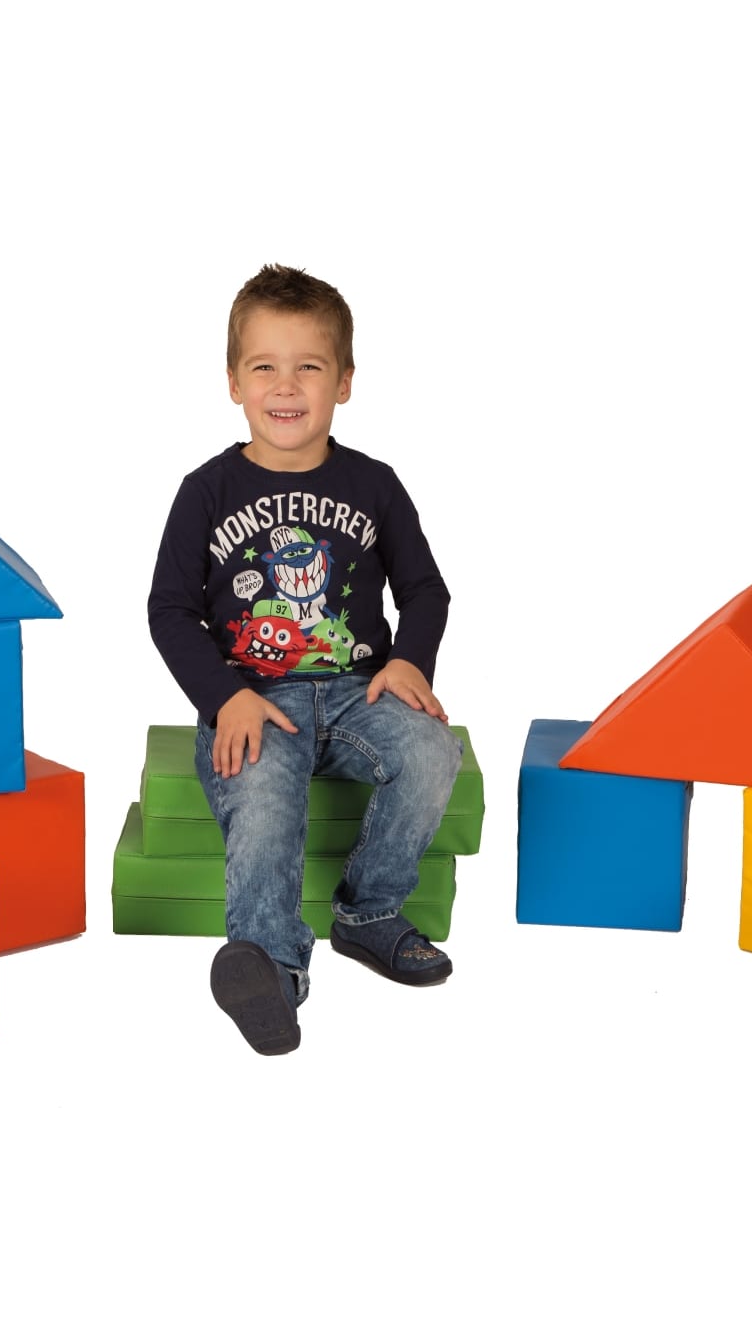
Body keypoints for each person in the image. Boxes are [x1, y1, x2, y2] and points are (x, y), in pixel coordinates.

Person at [146, 264, 464, 1055]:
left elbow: (425, 589)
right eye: (264, 366)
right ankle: (272, 969)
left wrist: (410, 660)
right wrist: (224, 696)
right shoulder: (205, 491)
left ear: (344, 382)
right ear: (233, 382)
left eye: (309, 366)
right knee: (263, 794)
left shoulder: (375, 485)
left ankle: (369, 911)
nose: (285, 386)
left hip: (359, 693)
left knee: (432, 750)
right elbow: (170, 610)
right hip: (255, 698)